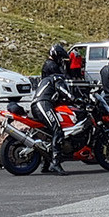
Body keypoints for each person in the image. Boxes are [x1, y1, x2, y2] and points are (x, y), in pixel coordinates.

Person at [33, 42, 74, 173]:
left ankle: (46, 164)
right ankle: (55, 163)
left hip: (43, 101)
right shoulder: (52, 68)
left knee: (50, 134)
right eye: (61, 58)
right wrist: (72, 97)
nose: (62, 62)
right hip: (43, 103)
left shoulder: (49, 66)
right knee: (57, 130)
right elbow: (61, 87)